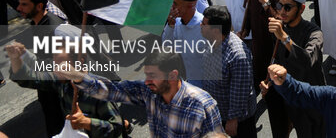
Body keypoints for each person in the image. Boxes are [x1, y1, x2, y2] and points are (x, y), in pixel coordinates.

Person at [59, 51, 224, 137]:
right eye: (146, 75)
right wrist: (79, 77)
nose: (146, 81)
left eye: (152, 76)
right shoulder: (148, 92)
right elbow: (113, 90)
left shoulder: (203, 106)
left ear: (173, 75)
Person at [262, 0, 325, 138]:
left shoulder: (314, 32)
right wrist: (269, 82)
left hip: (311, 100)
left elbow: (307, 61)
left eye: (288, 7)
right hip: (290, 96)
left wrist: (284, 38)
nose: (282, 11)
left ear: (302, 8)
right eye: (279, 5)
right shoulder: (280, 28)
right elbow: (277, 59)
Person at [237, 0, 287, 137]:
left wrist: (265, 2)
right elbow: (250, 15)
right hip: (256, 56)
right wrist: (244, 31)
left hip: (275, 59)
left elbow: (281, 24)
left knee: (277, 108)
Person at [10, 0, 65, 136]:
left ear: (39, 6)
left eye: (24, 4)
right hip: (47, 86)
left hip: (56, 89)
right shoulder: (37, 21)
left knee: (58, 124)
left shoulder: (52, 28)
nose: (19, 8)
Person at [202, 6, 257, 138]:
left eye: (204, 24)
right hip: (217, 113)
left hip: (236, 121)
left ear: (215, 30)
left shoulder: (237, 55)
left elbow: (240, 90)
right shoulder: (210, 41)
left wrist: (232, 120)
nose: (200, 25)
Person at [162, 0, 204, 86]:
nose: (172, 6)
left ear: (190, 6)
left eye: (176, 4)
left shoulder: (204, 27)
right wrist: (170, 26)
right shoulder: (175, 22)